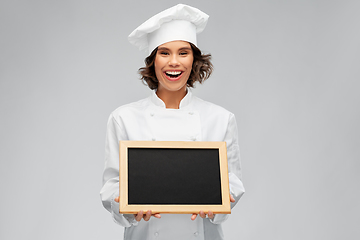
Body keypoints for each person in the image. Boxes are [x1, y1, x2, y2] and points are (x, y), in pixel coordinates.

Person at [100, 4, 245, 240]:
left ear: (194, 60)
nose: (174, 62)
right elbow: (111, 186)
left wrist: (221, 201)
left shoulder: (221, 118)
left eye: (183, 53)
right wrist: (128, 207)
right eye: (164, 53)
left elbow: (233, 183)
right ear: (153, 61)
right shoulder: (123, 118)